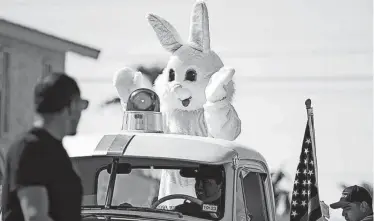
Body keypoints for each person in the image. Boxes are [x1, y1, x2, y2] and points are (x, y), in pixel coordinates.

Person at [1, 72, 89, 221]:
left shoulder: (53, 149)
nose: (81, 113)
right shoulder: (31, 148)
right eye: (82, 105)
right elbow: (36, 216)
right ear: (72, 105)